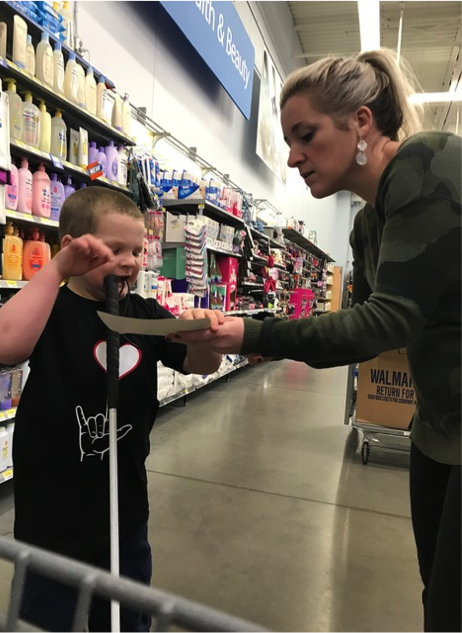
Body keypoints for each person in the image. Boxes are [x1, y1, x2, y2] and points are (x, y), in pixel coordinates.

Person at [174, 48, 462, 633]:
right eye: (288, 140)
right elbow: (359, 335)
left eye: (305, 135)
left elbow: (389, 320)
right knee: (437, 589)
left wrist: (253, 332)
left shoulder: (430, 162)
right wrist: (246, 337)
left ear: (361, 121)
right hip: (437, 424)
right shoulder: (367, 223)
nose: (293, 157)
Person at [0, 187, 223, 633]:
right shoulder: (50, 308)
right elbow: (3, 344)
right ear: (73, 247)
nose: (130, 261)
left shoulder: (146, 314)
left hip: (125, 508)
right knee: (44, 617)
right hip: (51, 516)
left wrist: (203, 340)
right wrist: (56, 270)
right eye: (114, 249)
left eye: (136, 250)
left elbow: (197, 365)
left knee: (125, 617)